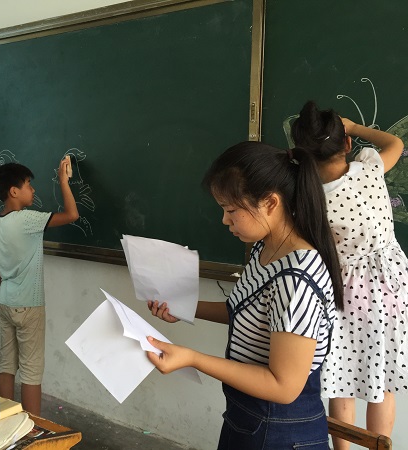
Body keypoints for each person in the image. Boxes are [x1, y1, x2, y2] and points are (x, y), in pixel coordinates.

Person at [146, 141, 344, 450]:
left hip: (280, 431)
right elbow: (245, 311)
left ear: (270, 203)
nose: (225, 220)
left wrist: (193, 358)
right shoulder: (266, 248)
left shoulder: (295, 280)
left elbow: (283, 387)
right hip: (248, 419)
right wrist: (184, 308)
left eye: (231, 210)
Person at [291, 101, 407, 449]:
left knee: (341, 382)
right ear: (346, 144)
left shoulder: (310, 200)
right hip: (392, 287)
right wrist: (354, 126)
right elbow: (396, 143)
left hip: (346, 293)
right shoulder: (369, 167)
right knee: (381, 382)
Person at [0, 158, 79, 415]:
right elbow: (72, 215)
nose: (33, 190)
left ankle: (5, 420)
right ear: (13, 191)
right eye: (28, 185)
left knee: (6, 364)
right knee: (31, 370)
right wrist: (63, 181)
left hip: (5, 301)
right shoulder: (28, 219)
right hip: (29, 304)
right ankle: (32, 427)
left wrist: (10, 292)